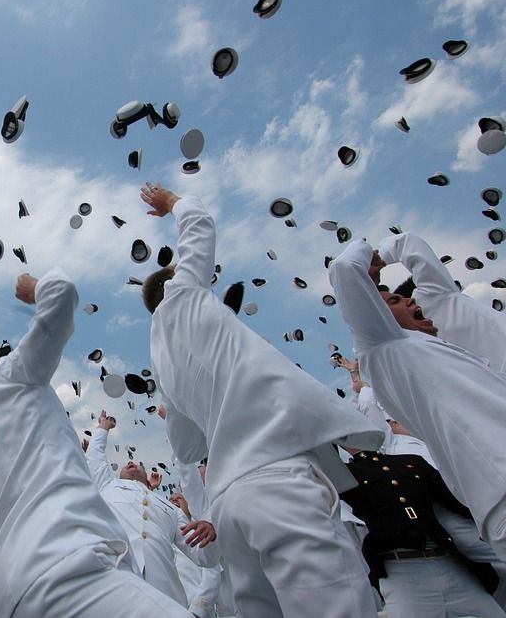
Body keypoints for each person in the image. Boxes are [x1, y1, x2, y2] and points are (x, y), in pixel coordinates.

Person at [140, 182, 383, 617]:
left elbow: (188, 448)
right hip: (279, 480)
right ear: (177, 283)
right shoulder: (185, 295)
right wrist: (174, 203)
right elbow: (199, 227)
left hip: (232, 505)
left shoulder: (160, 361)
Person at [0, 268, 191, 618]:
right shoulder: (11, 376)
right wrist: (35, 289)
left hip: (13, 595)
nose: (8, 351)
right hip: (70, 567)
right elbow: (62, 295)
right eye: (1, 349)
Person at [329, 238, 506, 562]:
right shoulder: (386, 350)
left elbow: (441, 291)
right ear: (378, 318)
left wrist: (402, 248)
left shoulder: (453, 353)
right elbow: (344, 269)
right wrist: (380, 254)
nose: (411, 302)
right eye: (396, 300)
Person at [341, 450, 503, 618]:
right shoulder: (344, 473)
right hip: (401, 571)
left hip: (448, 562)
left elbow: (457, 502)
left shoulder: (411, 461)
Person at [88, 410, 219, 609]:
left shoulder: (170, 508)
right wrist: (104, 428)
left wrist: (210, 536)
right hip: (115, 591)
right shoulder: (106, 485)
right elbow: (94, 459)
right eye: (126, 465)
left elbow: (203, 557)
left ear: (146, 474)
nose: (131, 463)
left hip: (166, 599)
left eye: (137, 464)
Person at [375, 231, 506, 372]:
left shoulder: (433, 298)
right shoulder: (418, 361)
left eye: (402, 297)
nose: (409, 301)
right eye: (394, 301)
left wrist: (377, 259)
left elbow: (406, 243)